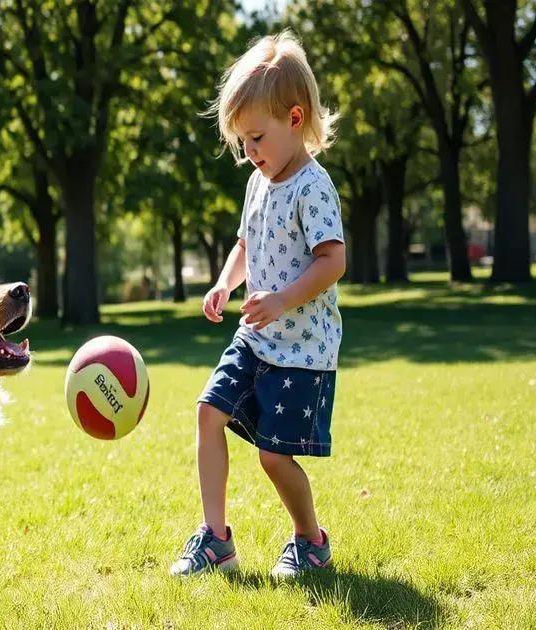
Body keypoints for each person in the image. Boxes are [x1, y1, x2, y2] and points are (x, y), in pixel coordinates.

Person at [169, 31, 347, 579]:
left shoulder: (313, 187)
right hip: (255, 337)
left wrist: (281, 299)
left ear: (295, 120)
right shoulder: (258, 182)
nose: (250, 152)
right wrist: (226, 283)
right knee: (207, 413)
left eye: (256, 137)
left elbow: (332, 261)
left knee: (274, 456)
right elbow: (246, 244)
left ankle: (309, 539)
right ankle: (216, 539)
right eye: (242, 142)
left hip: (301, 349)